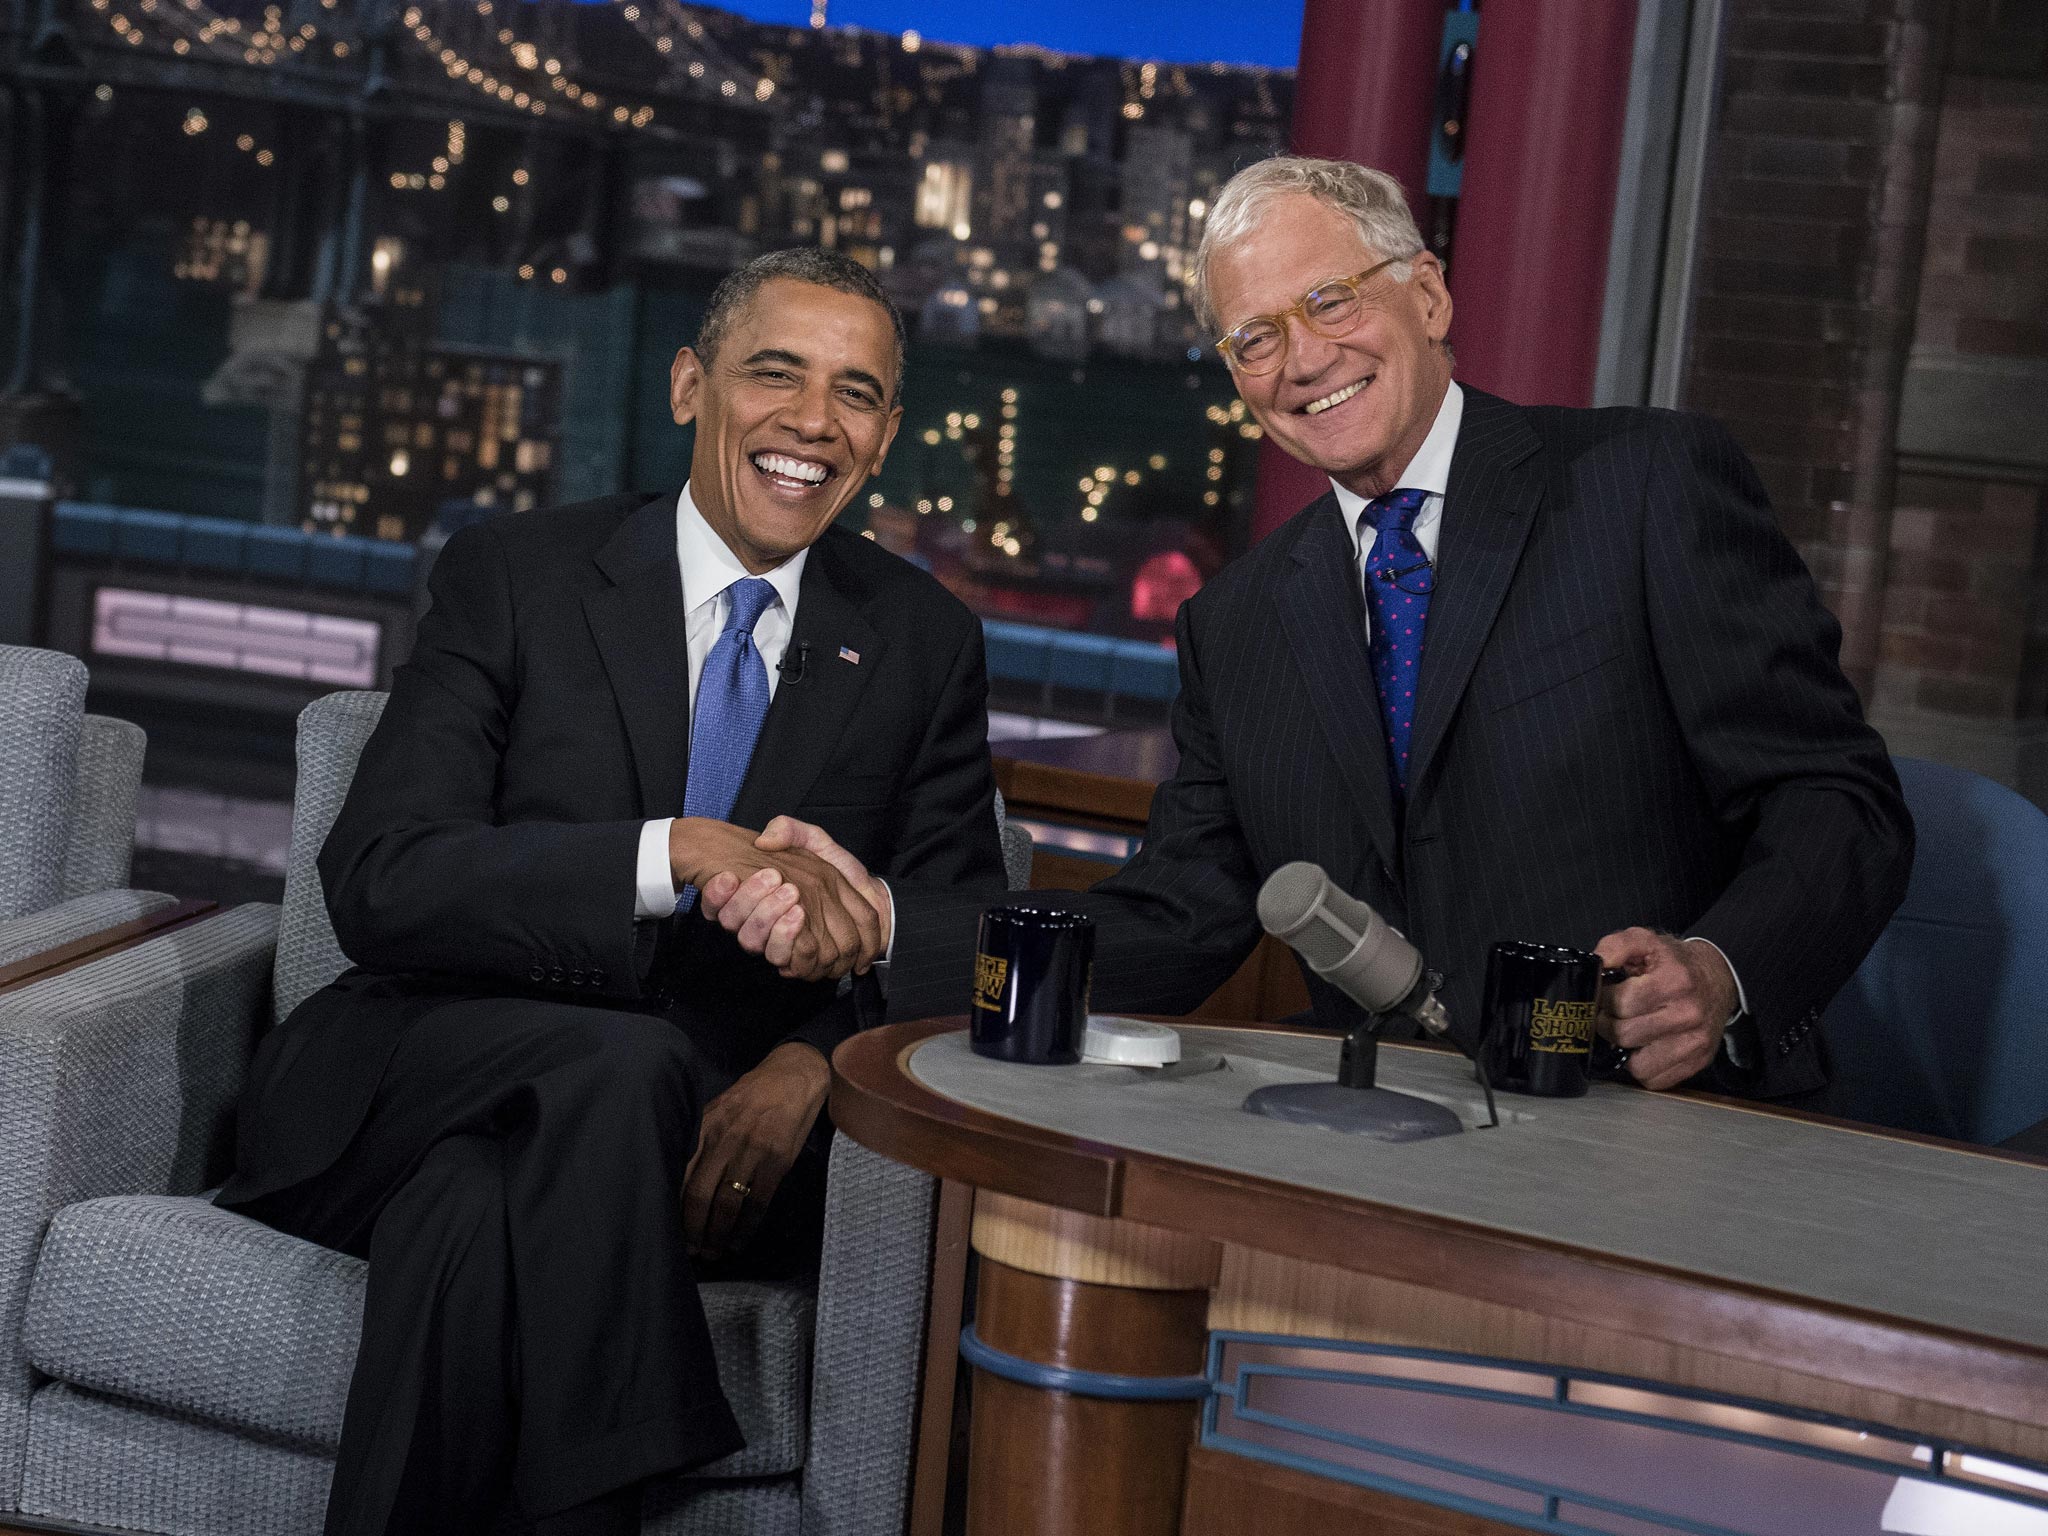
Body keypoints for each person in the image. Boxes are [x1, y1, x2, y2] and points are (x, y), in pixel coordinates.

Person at [710, 157, 1913, 1102]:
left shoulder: (1641, 486)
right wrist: (876, 927)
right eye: (1254, 337)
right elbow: (1176, 924)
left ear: (1428, 293)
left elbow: (1834, 801)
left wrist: (1721, 974)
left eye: (1327, 301)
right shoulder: (1235, 624)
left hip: (1665, 1116)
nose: (1301, 360)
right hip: (1386, 1130)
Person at [216, 248, 1004, 1536]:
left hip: (696, 1155)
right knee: (622, 1067)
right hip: (411, 1070)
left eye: (855, 393)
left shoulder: (921, 640)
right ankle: (642, 1444)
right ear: (692, 386)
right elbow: (381, 878)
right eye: (775, 373)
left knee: (466, 1222)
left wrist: (810, 1067)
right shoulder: (516, 574)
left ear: (886, 435)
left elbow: (957, 935)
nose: (814, 421)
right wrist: (676, 852)